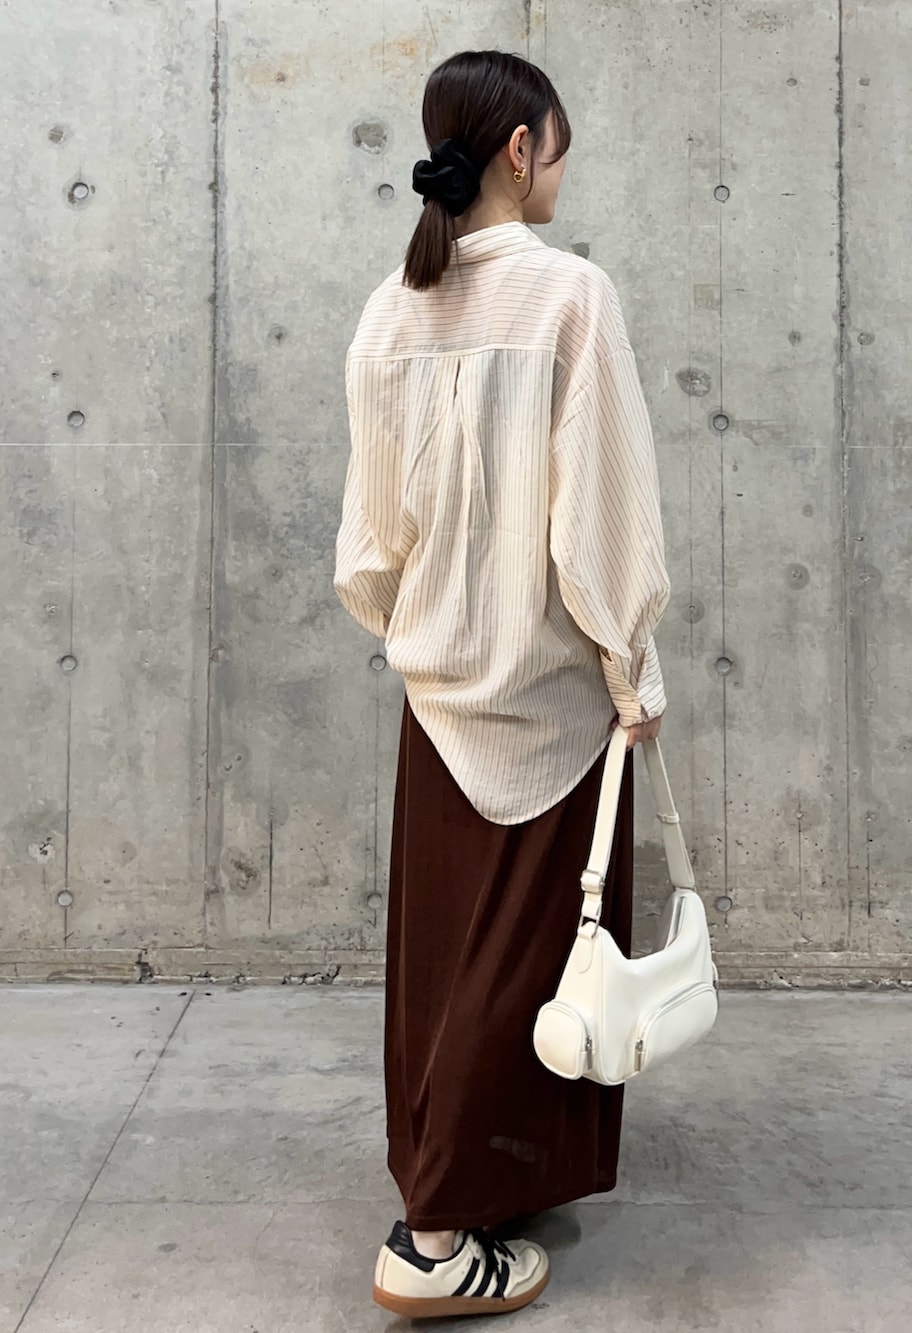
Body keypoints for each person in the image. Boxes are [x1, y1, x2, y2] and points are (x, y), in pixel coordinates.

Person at [334, 48, 670, 1320]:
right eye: (558, 144)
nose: (562, 166)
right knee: (526, 960)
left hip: (436, 701)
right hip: (553, 702)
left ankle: (482, 1181)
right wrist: (628, 668)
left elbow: (370, 546)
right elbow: (604, 521)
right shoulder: (570, 298)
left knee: (447, 966)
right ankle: (432, 1238)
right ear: (522, 149)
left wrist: (425, 635)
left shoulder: (390, 309)